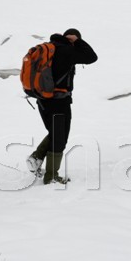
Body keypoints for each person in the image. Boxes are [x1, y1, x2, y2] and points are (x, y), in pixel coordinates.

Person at [25, 28, 98, 185]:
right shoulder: (66, 51)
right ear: (72, 39)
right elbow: (92, 57)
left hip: (43, 100)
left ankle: (36, 158)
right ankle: (51, 176)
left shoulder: (50, 48)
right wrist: (77, 41)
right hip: (58, 102)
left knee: (56, 132)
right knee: (60, 137)